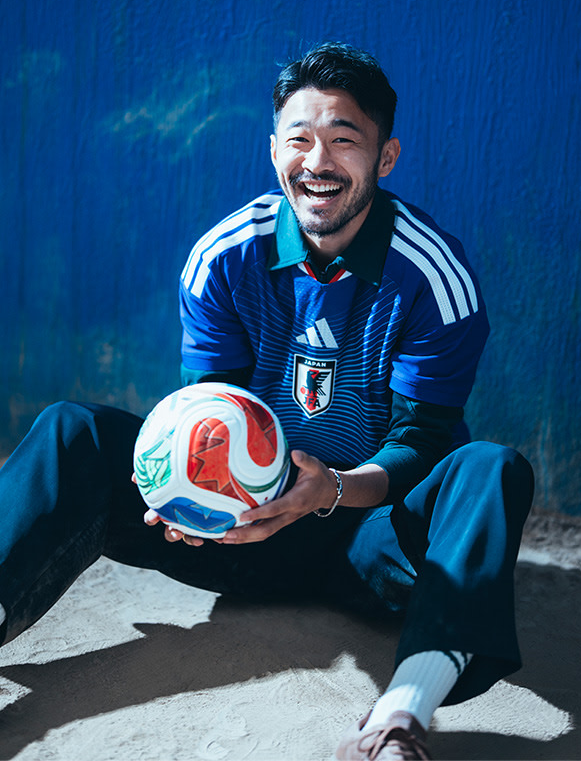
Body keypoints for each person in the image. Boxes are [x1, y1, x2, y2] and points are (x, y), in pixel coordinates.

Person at [0, 43, 533, 760]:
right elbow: (207, 409)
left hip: (365, 536)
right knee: (75, 432)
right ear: (274, 147)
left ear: (386, 156)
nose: (318, 160)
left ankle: (397, 724)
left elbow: (426, 439)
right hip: (239, 525)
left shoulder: (434, 275)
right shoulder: (224, 255)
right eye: (300, 138)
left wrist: (332, 488)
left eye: (345, 139)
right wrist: (182, 492)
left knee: (490, 468)